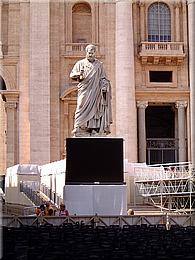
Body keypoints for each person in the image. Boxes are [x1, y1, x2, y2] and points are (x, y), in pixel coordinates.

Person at [70, 44, 112, 137]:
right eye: (89, 53)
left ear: (95, 53)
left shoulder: (99, 65)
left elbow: (103, 78)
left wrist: (105, 85)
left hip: (96, 91)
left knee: (96, 109)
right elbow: (72, 75)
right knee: (81, 105)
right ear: (86, 53)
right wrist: (79, 75)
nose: (91, 55)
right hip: (85, 89)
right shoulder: (80, 63)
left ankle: (94, 128)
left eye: (92, 53)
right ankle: (78, 127)